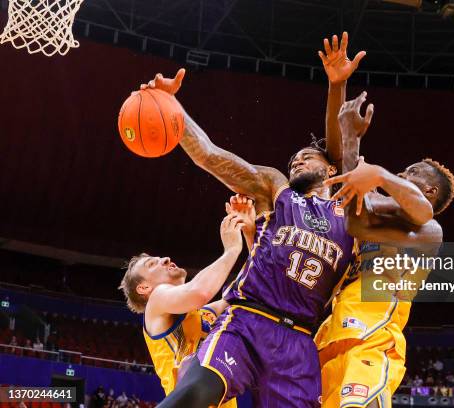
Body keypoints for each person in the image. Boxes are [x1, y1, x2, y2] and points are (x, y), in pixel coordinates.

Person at [140, 64, 357, 407]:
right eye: (294, 160)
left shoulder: (353, 214)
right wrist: (171, 108)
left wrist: (338, 87)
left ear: (331, 169)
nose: (296, 162)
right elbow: (210, 156)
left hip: (299, 342)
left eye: (307, 158)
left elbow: (351, 156)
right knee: (194, 392)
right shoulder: (277, 189)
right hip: (247, 321)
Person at [316, 92, 454, 407]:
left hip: (374, 339)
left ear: (429, 191)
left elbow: (384, 211)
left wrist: (376, 171)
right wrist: (349, 134)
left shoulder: (428, 232)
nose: (402, 175)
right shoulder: (371, 221)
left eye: (410, 174)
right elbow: (355, 211)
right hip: (330, 338)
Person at [119, 195, 253, 407]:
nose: (165, 259)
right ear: (144, 288)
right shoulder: (156, 302)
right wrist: (232, 250)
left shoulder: (204, 314)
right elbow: (199, 292)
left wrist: (250, 231)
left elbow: (249, 290)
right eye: (153, 264)